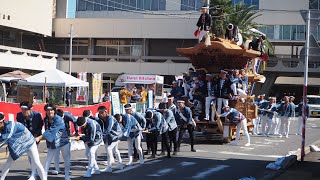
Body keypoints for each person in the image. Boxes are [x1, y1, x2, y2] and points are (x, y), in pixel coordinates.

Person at [0, 113, 47, 180]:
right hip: (18, 145)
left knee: (37, 162)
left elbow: (4, 139)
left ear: (1, 122)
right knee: (8, 162)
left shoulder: (9, 126)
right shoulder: (2, 126)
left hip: (29, 143)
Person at [37, 104, 71, 180]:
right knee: (48, 159)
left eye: (51, 110)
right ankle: (44, 177)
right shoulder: (45, 119)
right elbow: (42, 127)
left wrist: (39, 137)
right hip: (52, 142)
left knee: (66, 158)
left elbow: (51, 130)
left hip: (63, 141)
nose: (49, 112)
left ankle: (67, 175)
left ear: (54, 111)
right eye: (48, 110)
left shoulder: (58, 119)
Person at [16, 101, 44, 180]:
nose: (23, 111)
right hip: (25, 138)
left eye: (25, 110)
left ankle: (34, 174)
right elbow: (19, 127)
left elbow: (40, 125)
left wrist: (36, 134)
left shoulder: (37, 115)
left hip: (35, 137)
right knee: (30, 156)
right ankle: (34, 172)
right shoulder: (19, 115)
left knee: (34, 157)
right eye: (22, 109)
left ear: (30, 109)